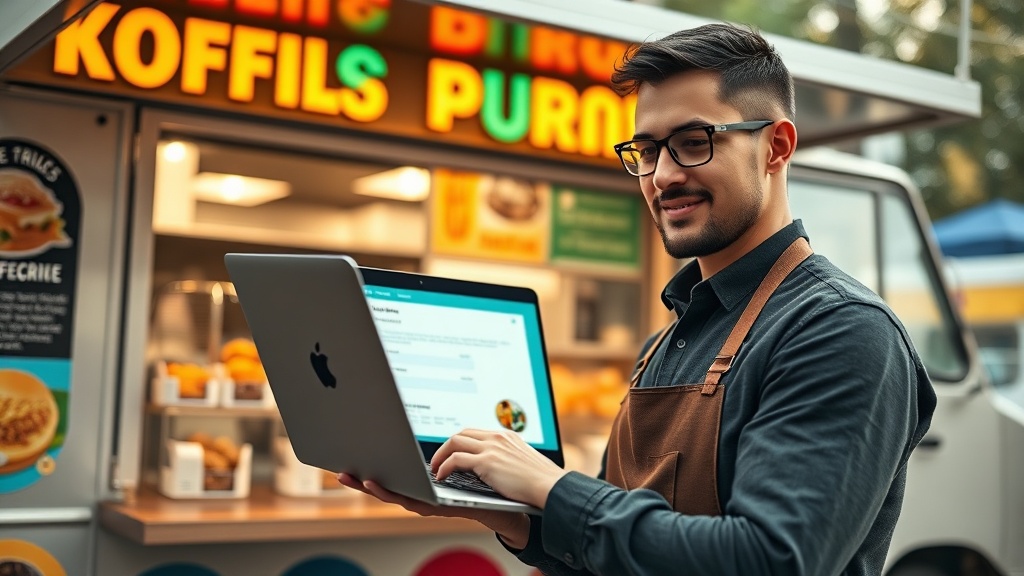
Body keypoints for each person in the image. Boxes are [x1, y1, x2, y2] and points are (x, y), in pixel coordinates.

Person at [339, 22, 936, 575]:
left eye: (694, 141)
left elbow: (770, 560)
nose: (663, 175)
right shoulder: (664, 343)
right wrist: (508, 515)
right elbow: (613, 554)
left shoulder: (840, 329)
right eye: (647, 151)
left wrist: (552, 488)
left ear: (776, 147)